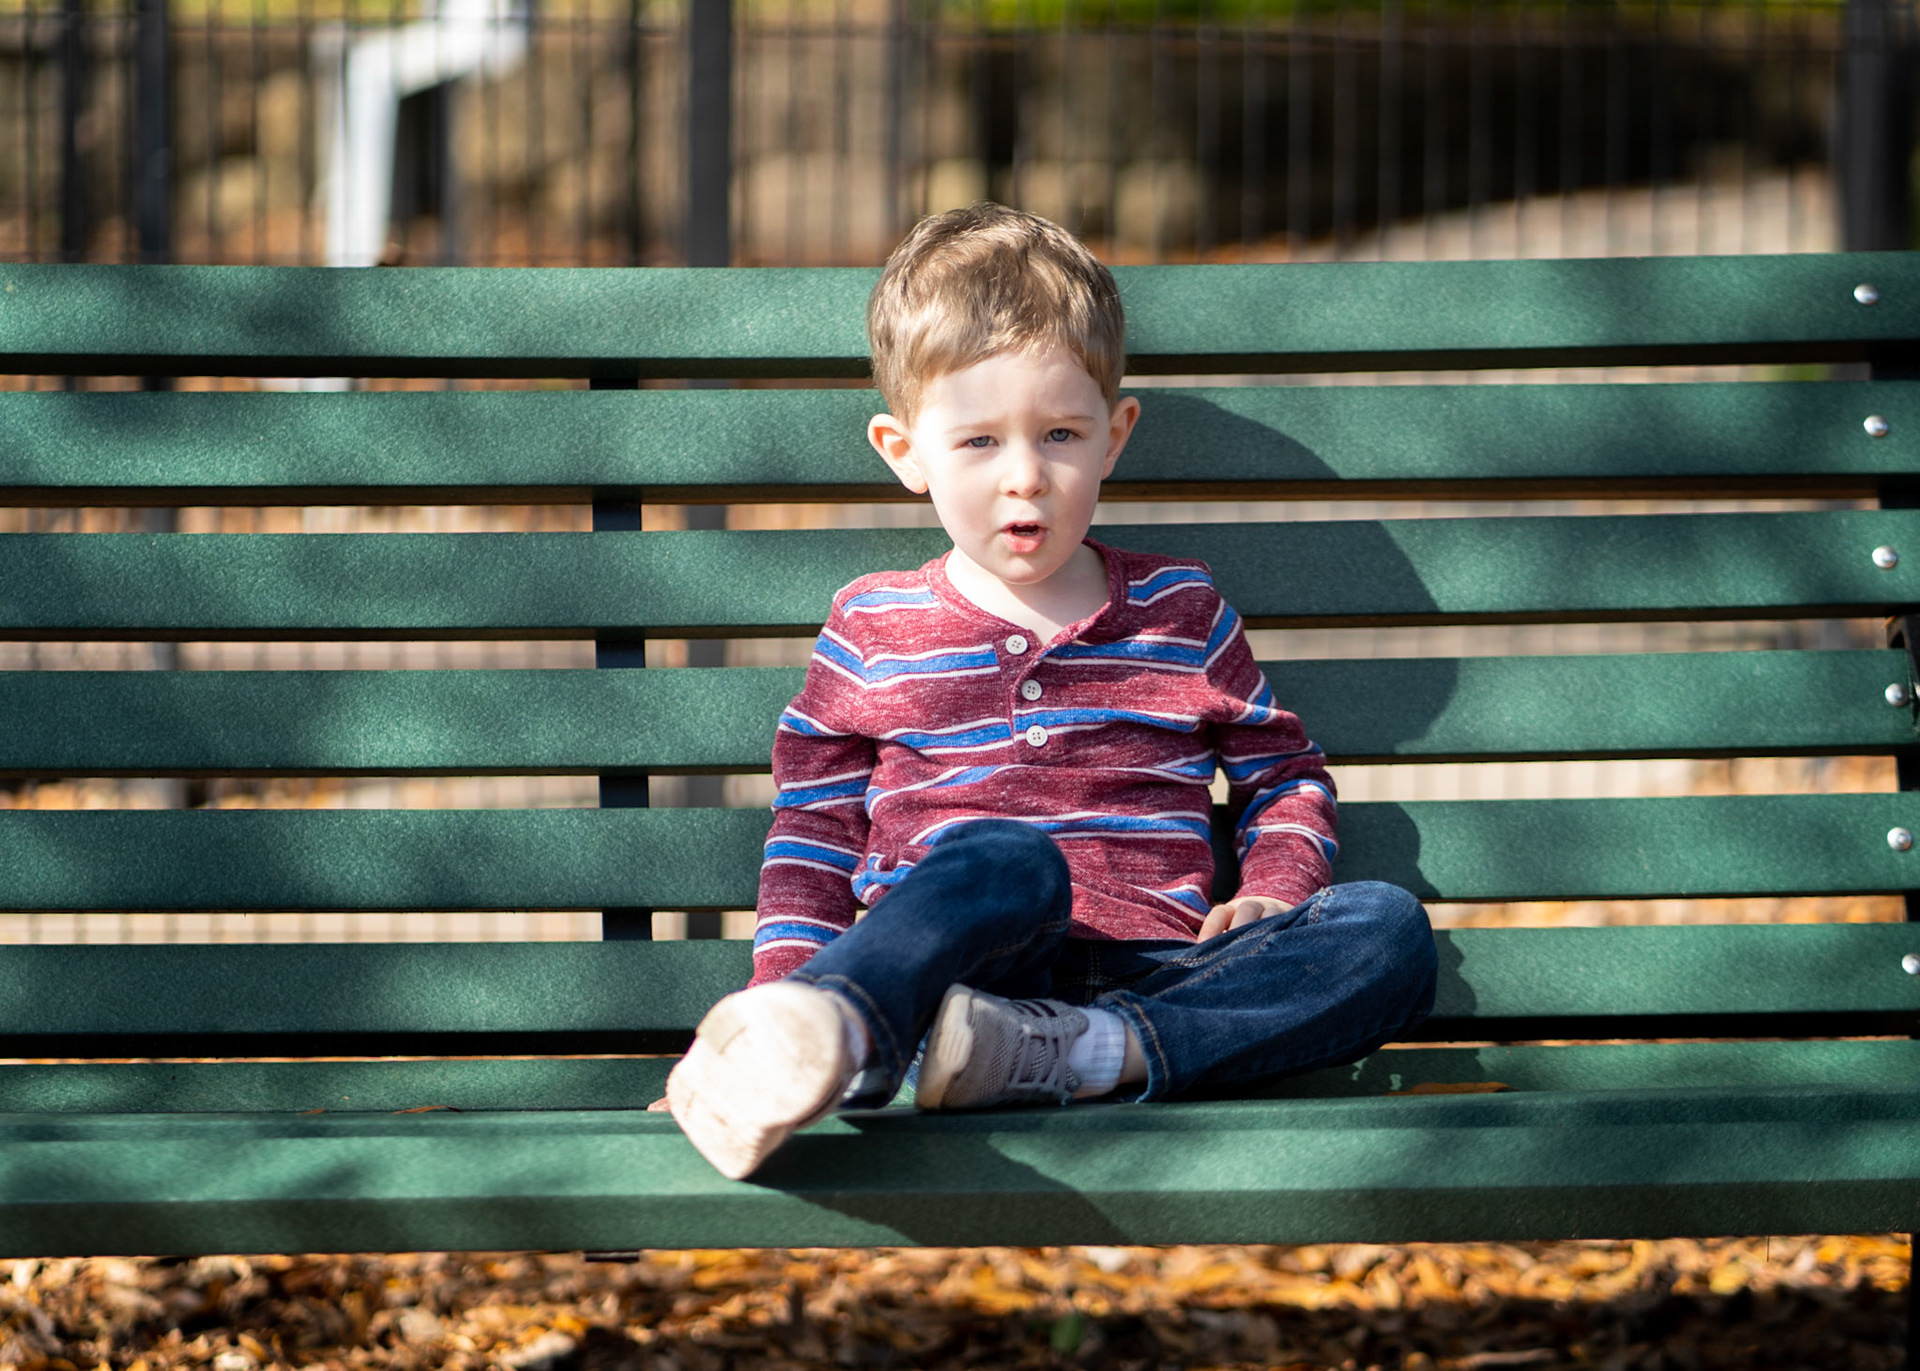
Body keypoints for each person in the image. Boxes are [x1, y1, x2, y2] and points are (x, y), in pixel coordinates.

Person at [664, 203, 1437, 1180]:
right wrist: (785, 999)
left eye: (1061, 434)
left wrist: (1275, 891)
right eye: (979, 442)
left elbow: (1285, 778)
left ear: (1114, 437)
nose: (1025, 477)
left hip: (1159, 969)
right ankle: (831, 1035)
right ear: (904, 453)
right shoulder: (873, 626)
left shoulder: (1181, 610)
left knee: (1386, 934)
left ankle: (1084, 1054)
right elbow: (814, 837)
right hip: (952, 972)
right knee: (1007, 858)